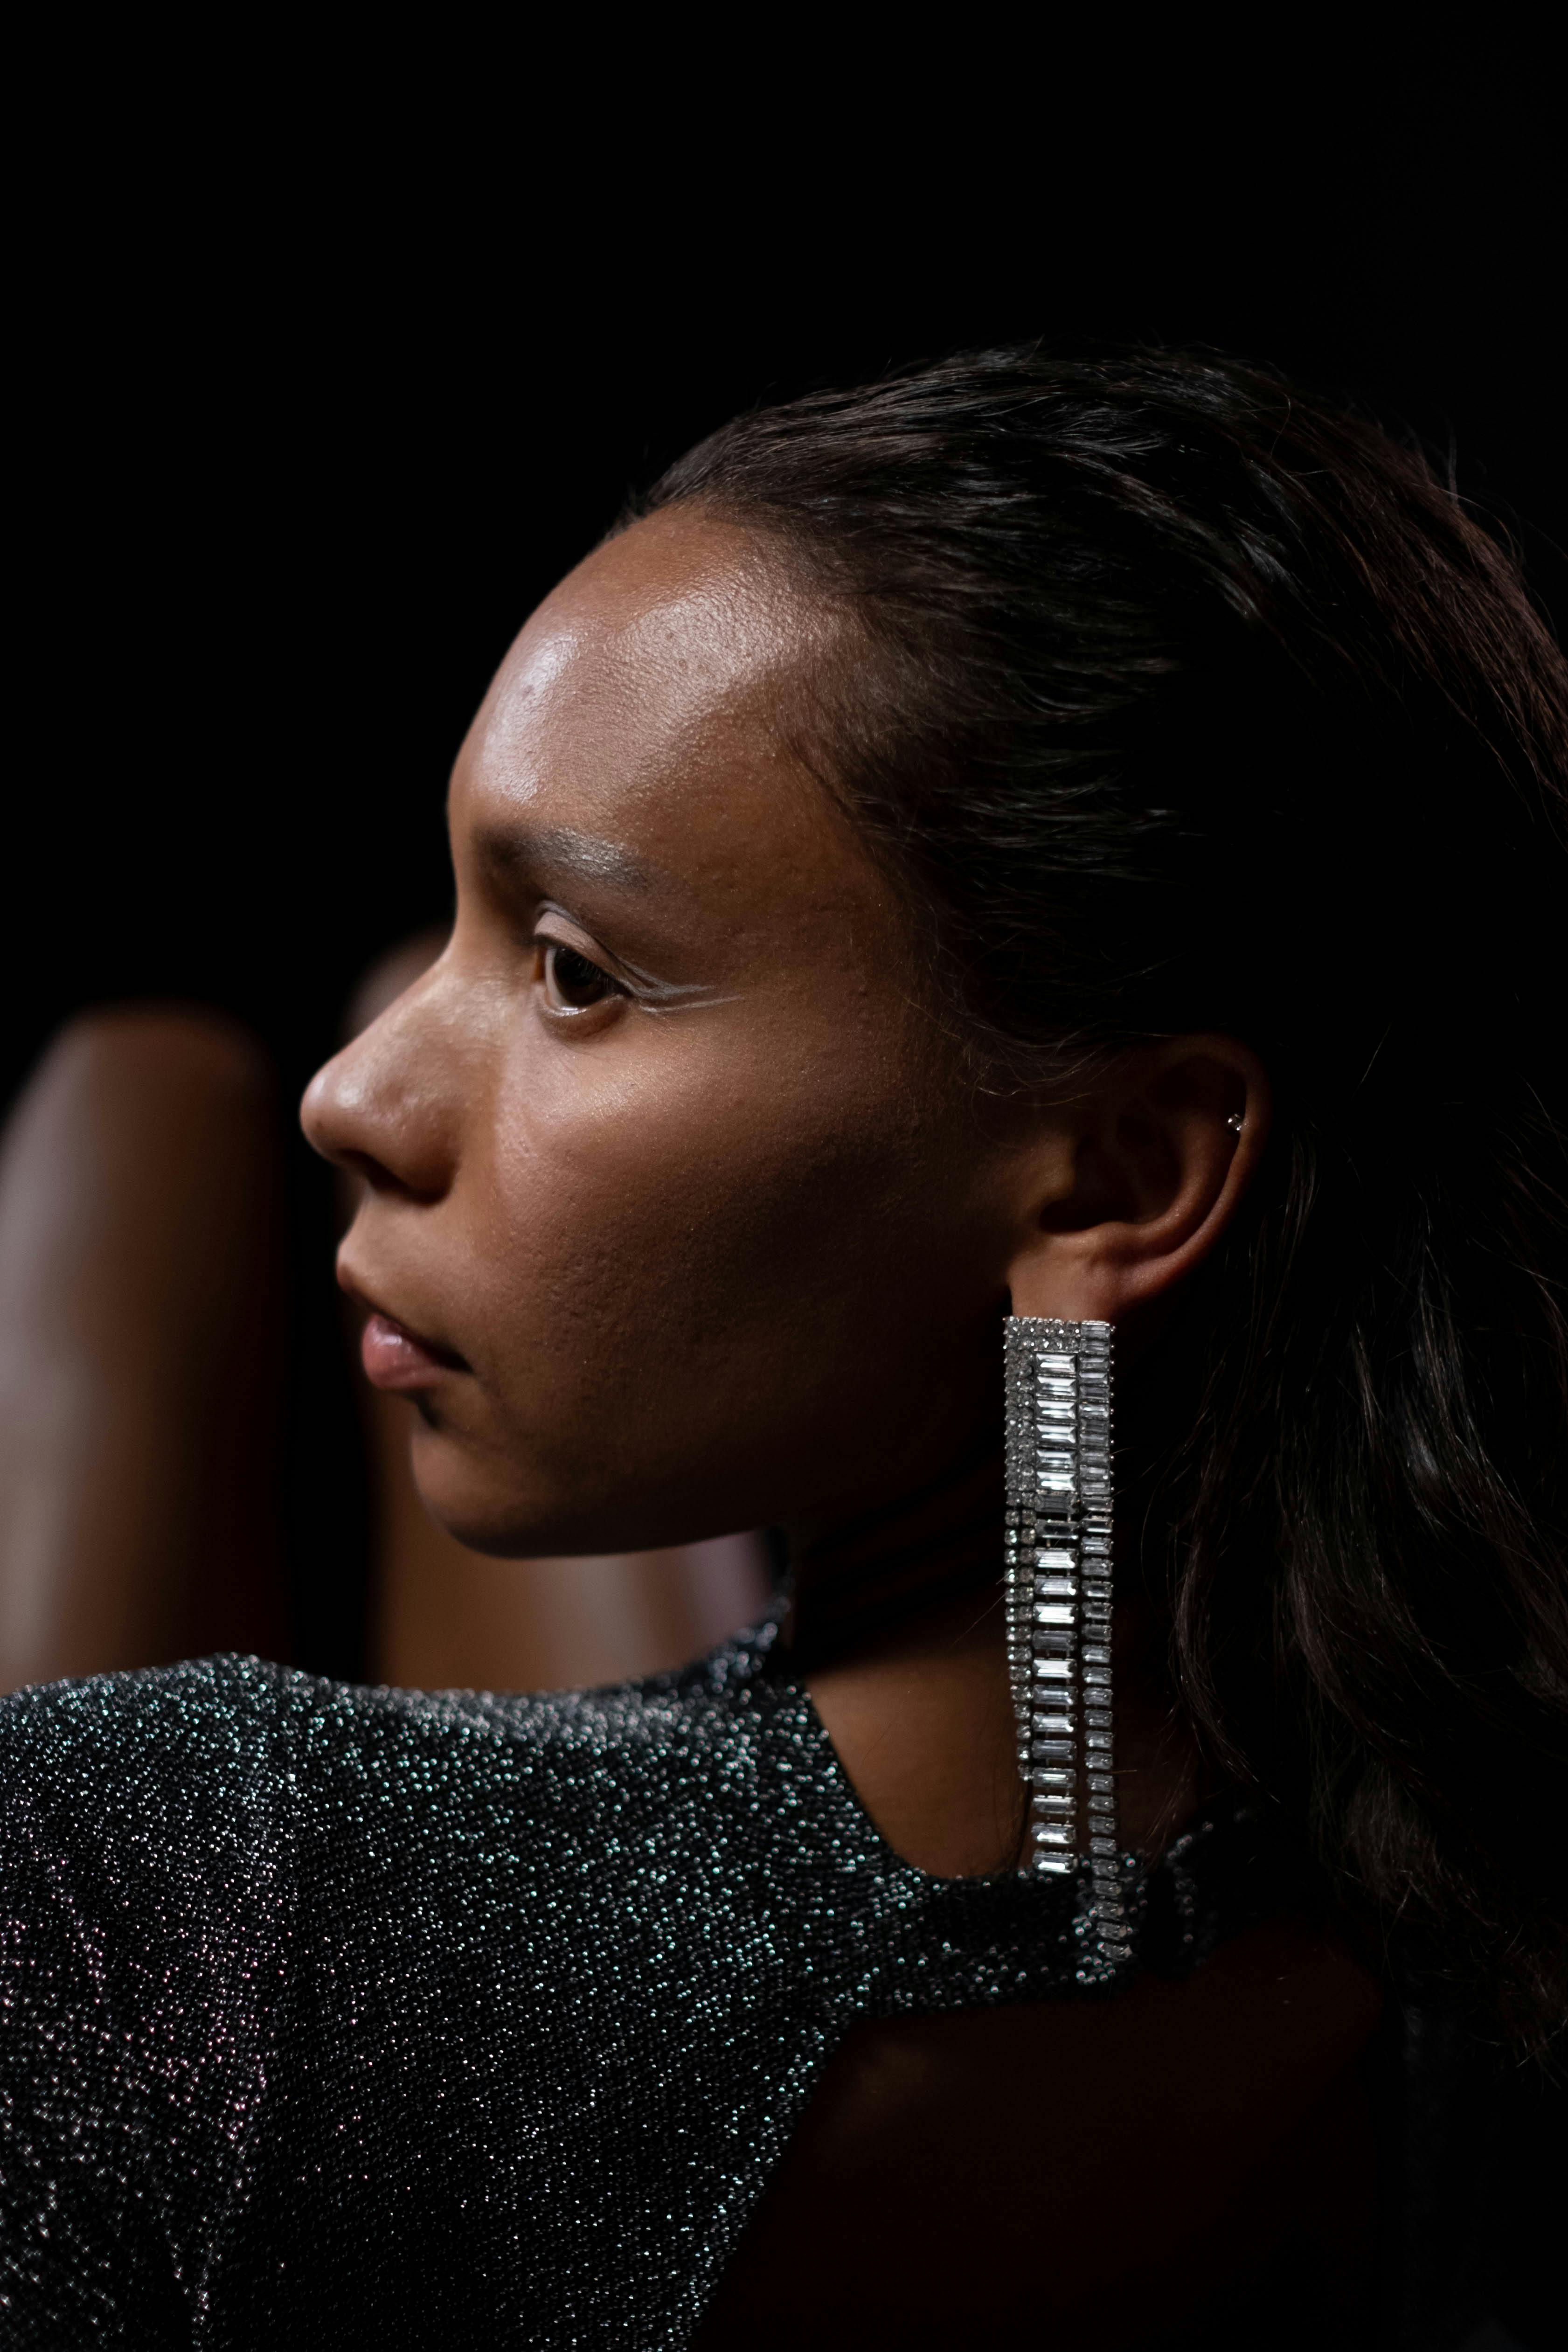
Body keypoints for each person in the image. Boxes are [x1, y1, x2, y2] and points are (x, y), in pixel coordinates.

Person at [2, 345, 1563, 2349]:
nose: (352, 1097)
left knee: (128, 1122)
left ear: (1122, 1173)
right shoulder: (1459, 1921)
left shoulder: (170, 1875)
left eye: (572, 973)